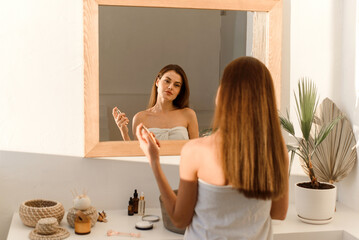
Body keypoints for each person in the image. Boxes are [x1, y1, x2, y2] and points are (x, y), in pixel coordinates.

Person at [136, 56, 289, 240]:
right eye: (167, 81)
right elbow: (278, 213)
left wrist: (154, 161)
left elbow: (179, 219)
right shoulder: (276, 150)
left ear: (222, 94)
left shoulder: (196, 150)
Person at [113, 64, 199, 141]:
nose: (170, 87)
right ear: (157, 82)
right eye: (167, 81)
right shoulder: (140, 118)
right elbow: (138, 154)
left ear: (180, 91)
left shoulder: (188, 114)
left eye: (176, 85)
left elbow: (196, 151)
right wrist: (124, 132)